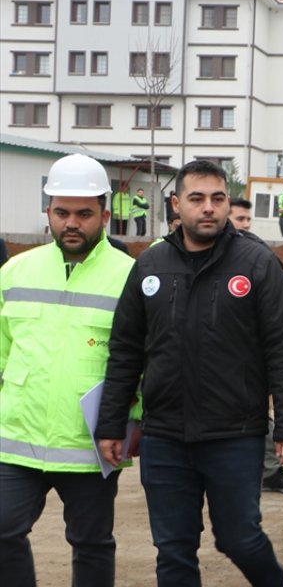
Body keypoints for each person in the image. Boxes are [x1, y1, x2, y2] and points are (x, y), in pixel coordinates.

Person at [96, 160, 283, 587]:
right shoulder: (150, 265)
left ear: (227, 203)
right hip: (165, 436)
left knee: (239, 538)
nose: (208, 208)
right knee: (173, 549)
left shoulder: (257, 263)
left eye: (218, 198)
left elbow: (281, 347)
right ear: (177, 204)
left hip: (236, 434)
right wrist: (112, 422)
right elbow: (125, 351)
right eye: (197, 199)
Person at [0, 154, 136, 587]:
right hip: (15, 441)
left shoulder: (132, 277)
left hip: (91, 445)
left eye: (83, 213)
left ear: (105, 214)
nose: (71, 223)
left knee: (92, 544)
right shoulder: (15, 271)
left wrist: (133, 420)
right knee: (2, 532)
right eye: (61, 213)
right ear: (47, 212)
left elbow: (147, 362)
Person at [229, 196, 283, 495]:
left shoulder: (259, 255)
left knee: (257, 413)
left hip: (251, 358)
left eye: (247, 220)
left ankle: (269, 470)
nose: (245, 225)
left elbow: (278, 319)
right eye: (240, 219)